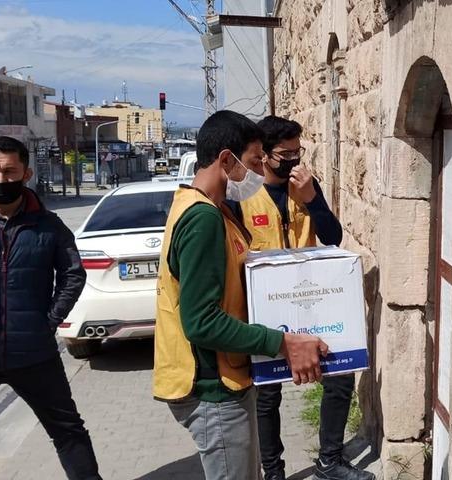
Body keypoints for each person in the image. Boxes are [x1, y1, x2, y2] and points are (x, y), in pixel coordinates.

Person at [153, 110, 328, 480]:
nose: (259, 172)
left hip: (228, 376)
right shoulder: (203, 219)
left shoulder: (207, 208)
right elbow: (201, 321)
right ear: (226, 161)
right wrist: (282, 343)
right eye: (253, 162)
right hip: (212, 387)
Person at [0, 137, 101, 480]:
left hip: (33, 355)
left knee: (69, 432)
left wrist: (48, 321)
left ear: (26, 172)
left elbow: (72, 274)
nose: (1, 179)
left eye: (9, 171)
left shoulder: (48, 225)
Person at [240, 116, 372, 480]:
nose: (294, 159)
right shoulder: (245, 194)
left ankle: (329, 459)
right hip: (266, 305)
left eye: (299, 151)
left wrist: (312, 199)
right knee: (266, 391)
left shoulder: (307, 186)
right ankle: (273, 470)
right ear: (265, 155)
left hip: (312, 298)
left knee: (340, 372)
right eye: (286, 153)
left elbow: (332, 237)